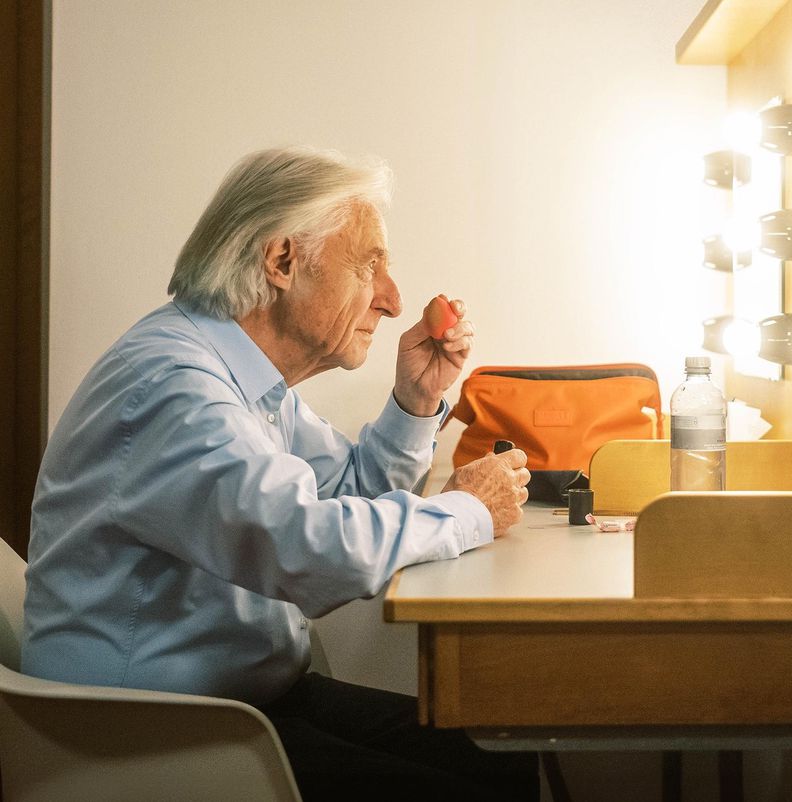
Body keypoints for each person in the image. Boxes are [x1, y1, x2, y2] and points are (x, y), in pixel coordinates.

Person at [21, 146, 538, 801]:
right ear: (282, 261)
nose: (392, 298)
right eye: (368, 265)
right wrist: (466, 508)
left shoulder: (239, 378)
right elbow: (309, 549)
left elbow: (349, 489)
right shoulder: (174, 390)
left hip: (240, 701)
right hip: (145, 737)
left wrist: (415, 401)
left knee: (504, 760)